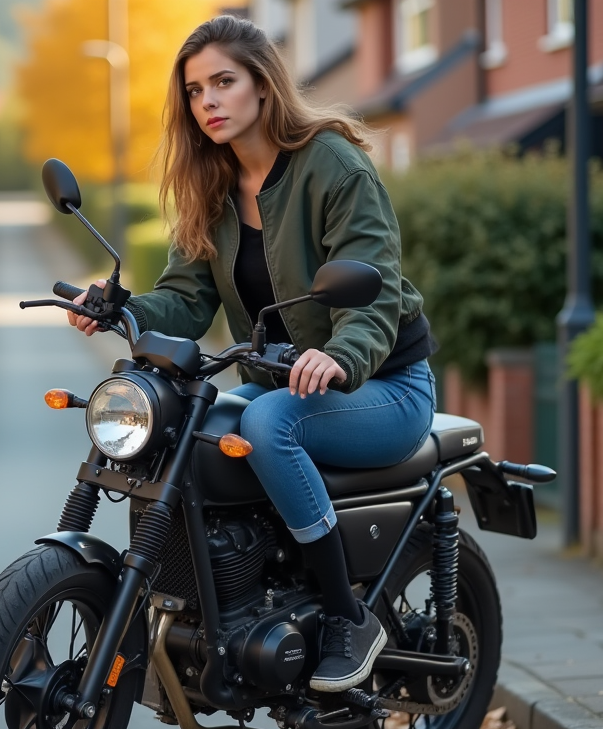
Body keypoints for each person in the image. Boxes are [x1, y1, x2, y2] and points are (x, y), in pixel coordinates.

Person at [67, 15, 436, 693]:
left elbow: (372, 286)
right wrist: (122, 308)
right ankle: (227, 608)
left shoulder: (332, 165)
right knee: (188, 429)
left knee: (268, 425)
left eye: (223, 82)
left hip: (383, 384)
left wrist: (341, 354)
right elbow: (185, 297)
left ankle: (348, 616)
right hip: (286, 383)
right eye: (194, 90)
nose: (207, 100)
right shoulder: (210, 184)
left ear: (263, 86)